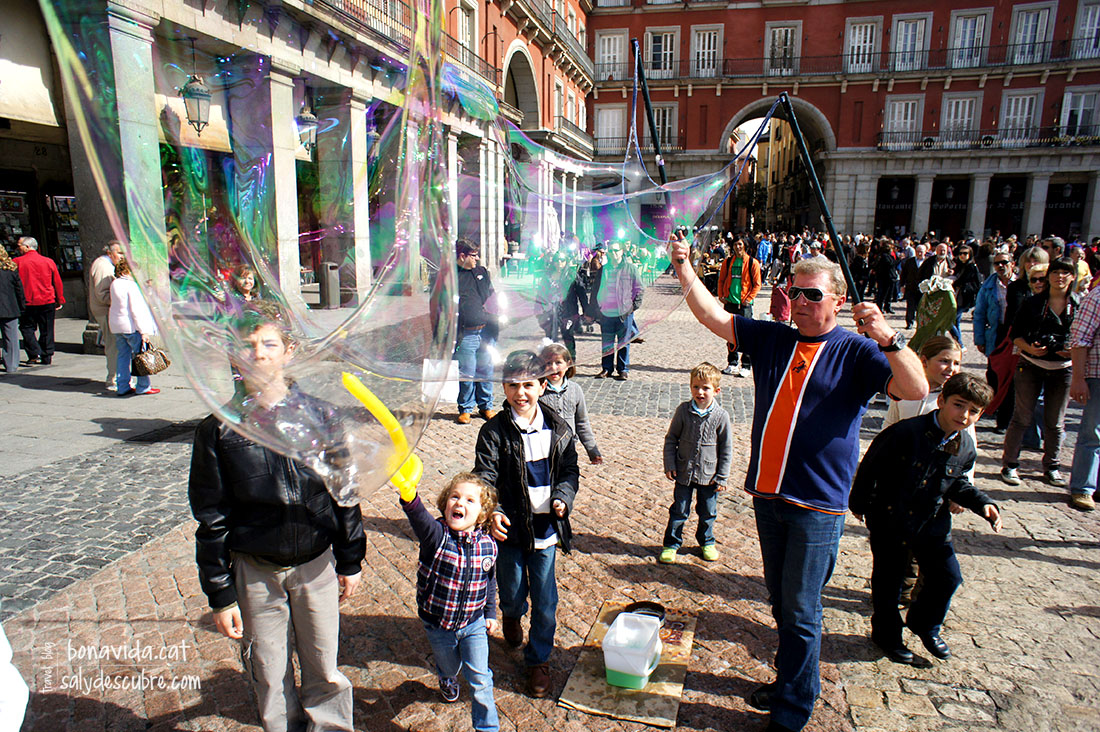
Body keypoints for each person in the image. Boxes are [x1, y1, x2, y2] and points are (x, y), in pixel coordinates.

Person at [668, 233, 926, 732]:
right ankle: (788, 680)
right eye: (795, 291)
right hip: (768, 496)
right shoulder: (774, 337)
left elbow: (916, 388)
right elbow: (713, 317)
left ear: (838, 300)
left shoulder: (858, 351)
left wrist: (889, 337)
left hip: (817, 504)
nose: (800, 301)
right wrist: (684, 267)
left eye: (812, 294)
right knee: (782, 603)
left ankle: (793, 709)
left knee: (803, 611)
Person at [188, 302, 365, 732]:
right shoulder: (219, 429)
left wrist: (350, 558)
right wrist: (220, 594)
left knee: (323, 664)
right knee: (269, 672)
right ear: (234, 356)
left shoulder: (321, 415)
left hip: (315, 562)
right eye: (248, 346)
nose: (259, 353)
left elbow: (344, 492)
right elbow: (211, 516)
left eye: (269, 343)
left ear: (288, 351)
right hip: (256, 569)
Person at [850, 373, 1002, 664]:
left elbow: (958, 483)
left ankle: (924, 624)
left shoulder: (966, 446)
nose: (964, 415)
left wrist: (983, 504)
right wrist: (859, 503)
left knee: (948, 576)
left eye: (974, 411)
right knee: (888, 581)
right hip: (891, 519)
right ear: (942, 401)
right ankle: (886, 635)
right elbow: (871, 466)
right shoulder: (905, 433)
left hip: (932, 522)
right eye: (959, 405)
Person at [474, 350, 580, 699]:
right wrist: (493, 509)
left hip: (547, 529)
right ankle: (511, 614)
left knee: (546, 601)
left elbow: (569, 470)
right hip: (511, 531)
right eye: (513, 385)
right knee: (513, 590)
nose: (521, 393)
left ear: (543, 384)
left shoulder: (559, 428)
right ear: (503, 387)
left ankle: (539, 660)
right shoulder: (493, 431)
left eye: (528, 385)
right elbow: (485, 476)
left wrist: (563, 494)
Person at [399, 472, 500, 731]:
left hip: (473, 622)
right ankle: (446, 677)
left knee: (480, 678)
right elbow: (419, 518)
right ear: (445, 504)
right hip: (438, 624)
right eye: (454, 497)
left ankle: (487, 727)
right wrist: (410, 497)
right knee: (450, 665)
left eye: (469, 500)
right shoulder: (436, 537)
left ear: (482, 514)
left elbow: (489, 580)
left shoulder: (488, 545)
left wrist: (490, 613)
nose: (459, 503)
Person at [1001, 257, 1079, 487]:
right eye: (1055, 272)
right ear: (1049, 276)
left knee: (1055, 422)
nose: (1059, 277)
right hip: (1031, 365)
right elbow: (1015, 333)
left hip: (1063, 369)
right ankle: (1010, 464)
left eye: (1065, 273)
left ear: (1072, 277)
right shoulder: (1033, 303)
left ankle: (1052, 467)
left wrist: (1072, 351)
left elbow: (1086, 338)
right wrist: (1029, 347)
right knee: (1021, 417)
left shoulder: (1079, 304)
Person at [659, 362, 733, 564]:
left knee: (708, 512)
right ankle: (671, 544)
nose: (700, 392)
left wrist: (722, 476)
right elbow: (671, 438)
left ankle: (706, 541)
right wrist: (670, 464)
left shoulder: (721, 416)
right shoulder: (683, 411)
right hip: (684, 472)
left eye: (706, 388)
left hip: (709, 477)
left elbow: (726, 449)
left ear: (716, 391)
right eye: (696, 387)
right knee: (679, 510)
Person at [973, 251, 1017, 431]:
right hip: (996, 333)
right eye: (997, 263)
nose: (1000, 266)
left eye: (1004, 262)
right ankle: (992, 407)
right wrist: (979, 338)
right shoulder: (989, 286)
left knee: (1011, 379)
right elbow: (979, 313)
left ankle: (1004, 421)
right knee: (993, 375)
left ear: (1012, 264)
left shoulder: (1021, 284)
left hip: (1014, 335)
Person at [538, 343, 602, 464]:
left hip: (568, 448)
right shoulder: (538, 391)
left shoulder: (575, 390)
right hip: (543, 450)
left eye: (558, 362)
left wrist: (593, 452)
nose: (553, 367)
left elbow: (582, 422)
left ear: (568, 364)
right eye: (548, 363)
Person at [455, 239, 497, 424]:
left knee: (486, 369)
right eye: (473, 255)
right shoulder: (450, 276)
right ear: (462, 256)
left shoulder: (481, 272)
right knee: (467, 372)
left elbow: (491, 296)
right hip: (467, 333)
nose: (477, 259)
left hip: (486, 331)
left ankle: (486, 406)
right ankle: (465, 408)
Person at [1067, 281, 1100, 511]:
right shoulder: (1097, 296)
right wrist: (1078, 378)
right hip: (1098, 375)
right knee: (1093, 433)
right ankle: (1083, 487)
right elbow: (1079, 338)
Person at [589, 241, 644, 380]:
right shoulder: (604, 269)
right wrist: (595, 309)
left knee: (623, 342)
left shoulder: (630, 268)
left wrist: (632, 307)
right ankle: (606, 368)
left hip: (624, 313)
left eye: (616, 250)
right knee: (607, 342)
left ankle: (623, 369)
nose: (614, 253)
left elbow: (639, 289)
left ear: (621, 251)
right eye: (611, 251)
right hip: (606, 312)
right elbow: (595, 290)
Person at [108, 258, 160, 396]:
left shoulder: (115, 283)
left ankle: (122, 385)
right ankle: (143, 385)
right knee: (140, 356)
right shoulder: (131, 286)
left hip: (117, 326)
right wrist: (144, 331)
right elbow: (136, 310)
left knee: (123, 356)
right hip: (131, 326)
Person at [15, 237, 64, 365]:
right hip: (46, 300)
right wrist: (59, 299)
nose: (18, 248)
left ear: (27, 246)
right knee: (47, 328)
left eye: (19, 245)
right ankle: (46, 355)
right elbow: (57, 282)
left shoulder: (17, 262)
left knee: (27, 328)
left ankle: (33, 352)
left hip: (27, 301)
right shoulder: (48, 261)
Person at [717, 237, 762, 377]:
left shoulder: (752, 263)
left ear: (745, 246)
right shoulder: (728, 262)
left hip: (744, 305)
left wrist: (748, 299)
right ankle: (732, 363)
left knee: (747, 335)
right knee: (730, 335)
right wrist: (721, 295)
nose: (737, 247)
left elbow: (757, 284)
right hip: (730, 303)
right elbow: (722, 280)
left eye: (740, 244)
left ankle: (746, 365)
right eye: (735, 244)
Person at [88, 241, 124, 388]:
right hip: (106, 311)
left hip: (110, 310)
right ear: (110, 253)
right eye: (119, 253)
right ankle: (114, 379)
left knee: (116, 345)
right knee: (113, 345)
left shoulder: (109, 265)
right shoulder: (102, 266)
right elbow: (102, 294)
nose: (122, 257)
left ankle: (118, 376)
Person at [0, 248, 25, 374]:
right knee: (11, 338)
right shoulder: (10, 271)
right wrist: (22, 306)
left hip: (8, 308)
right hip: (9, 308)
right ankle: (12, 364)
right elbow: (19, 290)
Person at [951, 243, 982, 344]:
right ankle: (958, 343)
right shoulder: (960, 266)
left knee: (950, 320)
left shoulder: (972, 267)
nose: (962, 255)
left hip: (965, 297)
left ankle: (960, 343)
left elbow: (977, 284)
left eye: (965, 253)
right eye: (960, 253)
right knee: (956, 322)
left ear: (970, 255)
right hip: (957, 296)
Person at [900, 243, 927, 329]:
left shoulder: (927, 262)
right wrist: (902, 285)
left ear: (925, 252)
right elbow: (904, 274)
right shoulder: (910, 261)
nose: (919, 253)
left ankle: (920, 322)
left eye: (921, 252)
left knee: (921, 307)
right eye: (918, 251)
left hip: (922, 289)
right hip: (911, 287)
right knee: (910, 306)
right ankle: (909, 322)